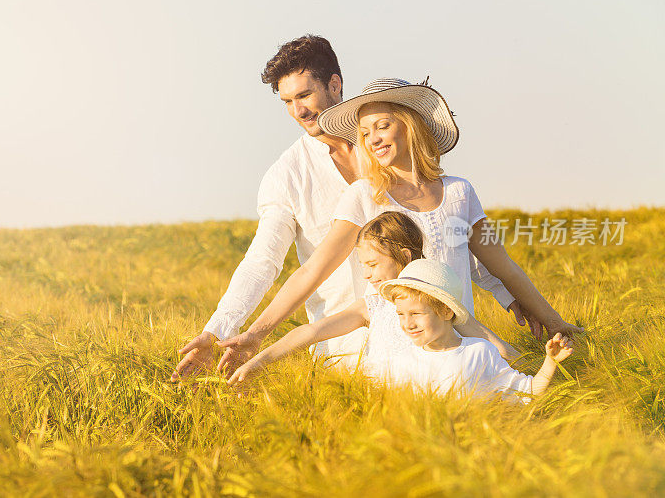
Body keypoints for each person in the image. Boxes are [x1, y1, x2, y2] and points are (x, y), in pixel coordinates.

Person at [171, 39, 525, 382]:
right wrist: (221, 330)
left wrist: (510, 296)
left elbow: (447, 232)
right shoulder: (287, 176)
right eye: (288, 101)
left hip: (440, 341)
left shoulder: (388, 148)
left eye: (305, 95)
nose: (298, 111)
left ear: (335, 84)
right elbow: (263, 262)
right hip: (346, 349)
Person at [217, 78, 583, 375]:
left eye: (383, 125)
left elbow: (502, 266)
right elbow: (313, 270)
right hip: (398, 358)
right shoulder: (363, 196)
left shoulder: (460, 192)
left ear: (409, 125)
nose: (373, 139)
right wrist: (254, 334)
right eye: (365, 132)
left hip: (461, 350)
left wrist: (553, 321)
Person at [226, 212, 517, 387]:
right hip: (379, 405)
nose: (366, 275)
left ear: (404, 257)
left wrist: (538, 369)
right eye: (362, 265)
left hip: (429, 404)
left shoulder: (435, 304)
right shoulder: (373, 305)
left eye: (373, 265)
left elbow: (494, 346)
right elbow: (312, 331)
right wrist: (259, 362)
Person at [230, 258, 575, 400]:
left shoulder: (477, 354)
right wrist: (258, 366)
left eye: (416, 314)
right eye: (400, 315)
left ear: (444, 310)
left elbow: (528, 393)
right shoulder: (401, 362)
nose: (407, 323)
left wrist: (550, 362)